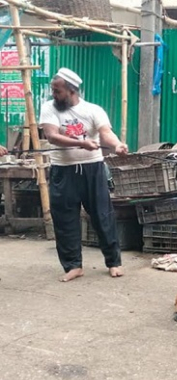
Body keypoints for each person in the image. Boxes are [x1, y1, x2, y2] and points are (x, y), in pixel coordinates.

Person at [39, 68, 129, 282]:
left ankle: (114, 262)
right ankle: (73, 266)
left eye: (57, 90)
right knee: (64, 219)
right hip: (63, 170)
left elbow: (106, 133)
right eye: (53, 89)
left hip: (92, 168)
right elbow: (52, 136)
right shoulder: (48, 108)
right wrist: (82, 142)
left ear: (71, 90)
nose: (54, 93)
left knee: (102, 215)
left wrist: (117, 145)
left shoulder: (93, 110)